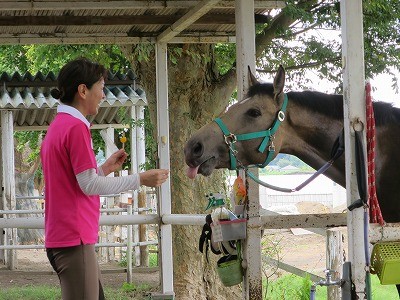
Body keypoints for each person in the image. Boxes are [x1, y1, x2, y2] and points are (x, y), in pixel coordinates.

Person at [40, 57, 169, 300]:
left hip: (64, 237)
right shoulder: (76, 128)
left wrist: (105, 169)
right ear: (82, 90)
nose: (103, 95)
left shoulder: (58, 126)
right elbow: (88, 186)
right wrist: (139, 179)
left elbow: (76, 182)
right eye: (100, 87)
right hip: (74, 239)